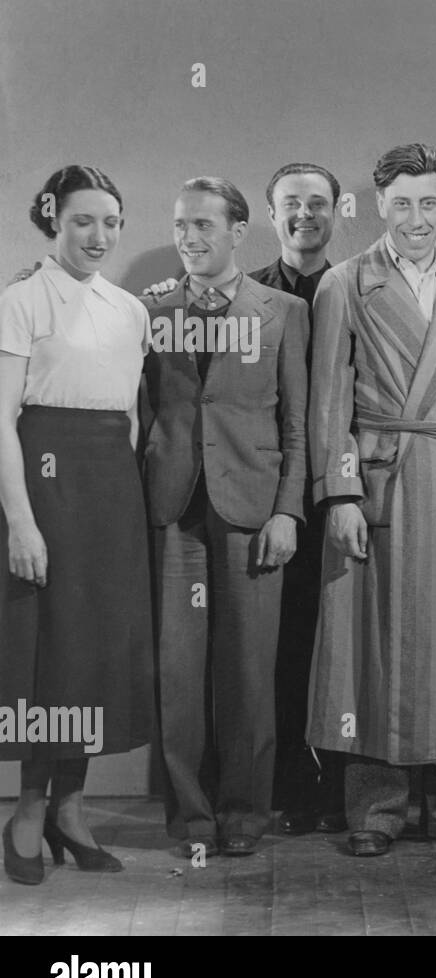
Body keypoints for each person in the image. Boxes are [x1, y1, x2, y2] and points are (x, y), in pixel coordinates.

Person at [306, 143, 436, 857]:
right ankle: (377, 806)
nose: (417, 217)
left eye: (429, 202)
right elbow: (329, 402)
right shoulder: (344, 283)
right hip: (381, 484)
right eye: (402, 203)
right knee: (372, 644)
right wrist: (339, 493)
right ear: (377, 206)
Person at [143, 176, 309, 859]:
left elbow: (298, 425)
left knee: (249, 669)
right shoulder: (151, 308)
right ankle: (191, 814)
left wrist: (288, 511)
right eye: (182, 224)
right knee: (180, 673)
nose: (189, 237)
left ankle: (245, 809)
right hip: (174, 507)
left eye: (204, 225)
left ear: (239, 230)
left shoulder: (283, 311)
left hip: (251, 506)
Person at [0, 166, 153, 885]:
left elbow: (128, 417)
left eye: (112, 223)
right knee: (49, 652)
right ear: (53, 218)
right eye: (84, 221)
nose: (99, 236)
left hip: (109, 491)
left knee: (94, 651)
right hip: (45, 480)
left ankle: (72, 808)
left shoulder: (131, 310)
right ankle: (28, 809)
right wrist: (21, 521)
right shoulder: (22, 301)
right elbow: (1, 420)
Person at [253, 162, 348, 838]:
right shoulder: (245, 293)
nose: (304, 214)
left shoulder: (358, 289)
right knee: (279, 646)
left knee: (340, 642)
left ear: (338, 211)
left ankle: (345, 784)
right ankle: (289, 784)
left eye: (318, 203)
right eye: (291, 203)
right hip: (269, 497)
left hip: (343, 491)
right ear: (270, 214)